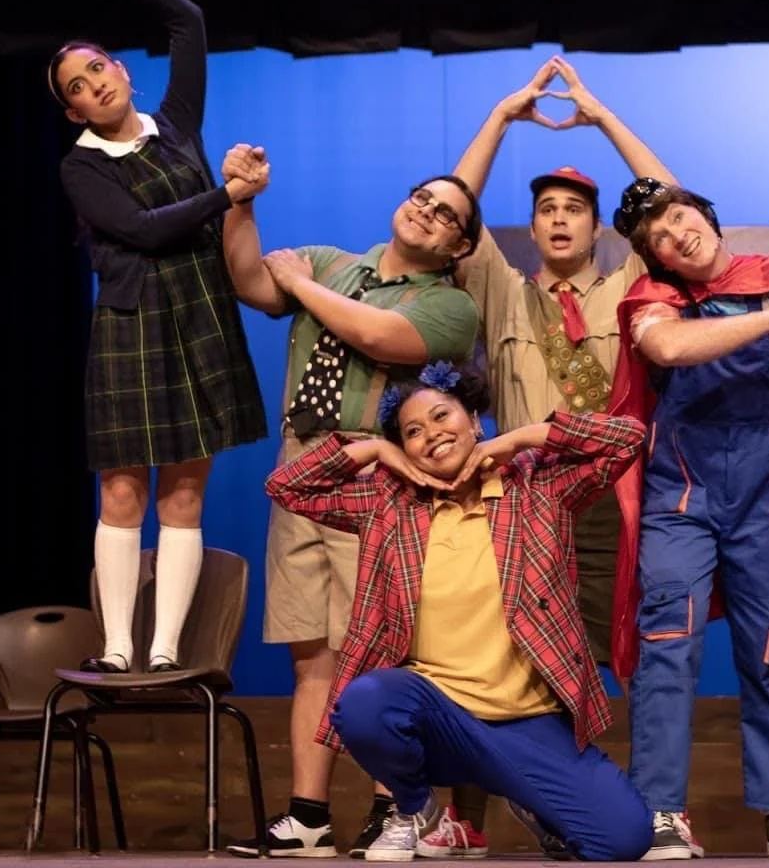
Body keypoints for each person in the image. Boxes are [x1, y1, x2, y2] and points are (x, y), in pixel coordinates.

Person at [263, 360, 653, 863]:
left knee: (623, 839)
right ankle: (418, 808)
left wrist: (516, 440)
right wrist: (376, 448)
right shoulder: (389, 501)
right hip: (436, 713)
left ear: (473, 418)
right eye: (412, 432)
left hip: (527, 722)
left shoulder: (536, 488)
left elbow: (628, 438)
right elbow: (287, 486)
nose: (432, 435)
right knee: (365, 702)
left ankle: (529, 798)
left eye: (443, 416)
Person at [218, 148, 482, 858]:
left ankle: (393, 808)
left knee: (382, 652)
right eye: (422, 197)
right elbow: (250, 280)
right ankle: (308, 816)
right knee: (314, 653)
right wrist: (241, 202)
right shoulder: (333, 262)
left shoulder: (449, 303)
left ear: (458, 244)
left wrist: (301, 286)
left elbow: (374, 334)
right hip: (303, 464)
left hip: (375, 472)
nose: (426, 210)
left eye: (446, 213)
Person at [436, 56, 666, 855]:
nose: (561, 219)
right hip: (518, 503)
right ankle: (465, 818)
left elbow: (671, 206)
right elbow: (453, 209)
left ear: (598, 227)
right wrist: (501, 118)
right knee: (490, 657)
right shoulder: (501, 289)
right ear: (530, 229)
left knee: (607, 660)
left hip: (609, 498)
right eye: (547, 210)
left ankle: (604, 812)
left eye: (575, 208)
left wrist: (604, 121)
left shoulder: (630, 284)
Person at [609, 177, 769, 859]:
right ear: (654, 257)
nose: (675, 233)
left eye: (680, 216)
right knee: (667, 646)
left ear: (706, 215)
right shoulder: (654, 300)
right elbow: (667, 350)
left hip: (763, 497)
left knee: (768, 653)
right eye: (658, 236)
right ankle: (659, 809)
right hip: (679, 500)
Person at [42, 0, 268, 676]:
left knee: (185, 488)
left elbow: (190, 23)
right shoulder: (79, 166)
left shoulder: (174, 124)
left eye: (98, 67)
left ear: (122, 71)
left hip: (200, 317)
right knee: (123, 487)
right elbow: (142, 231)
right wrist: (224, 197)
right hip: (133, 328)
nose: (93, 85)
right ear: (71, 106)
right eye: (77, 84)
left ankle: (166, 648)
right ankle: (116, 646)